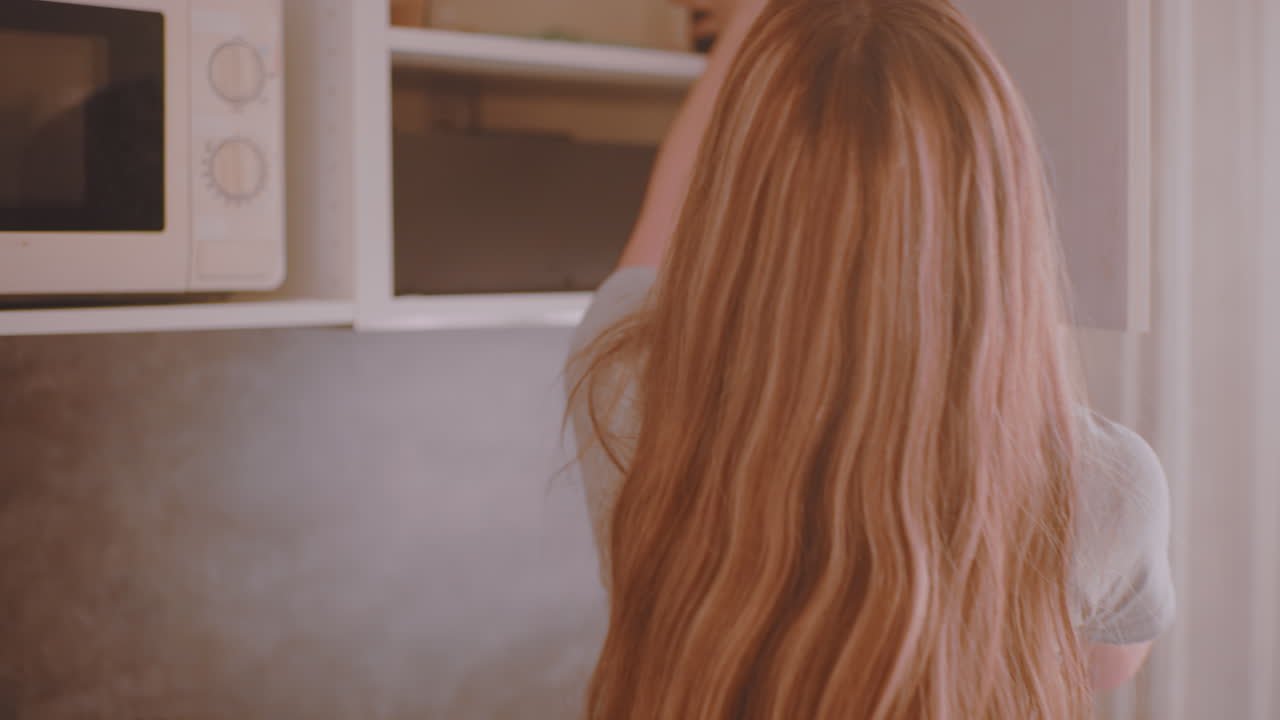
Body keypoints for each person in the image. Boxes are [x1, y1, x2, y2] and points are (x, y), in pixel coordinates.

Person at [564, 0, 1176, 717]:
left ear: (734, 196)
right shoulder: (1102, 487)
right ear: (1003, 218)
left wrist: (756, 21)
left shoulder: (626, 385)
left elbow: (660, 229)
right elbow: (1107, 667)